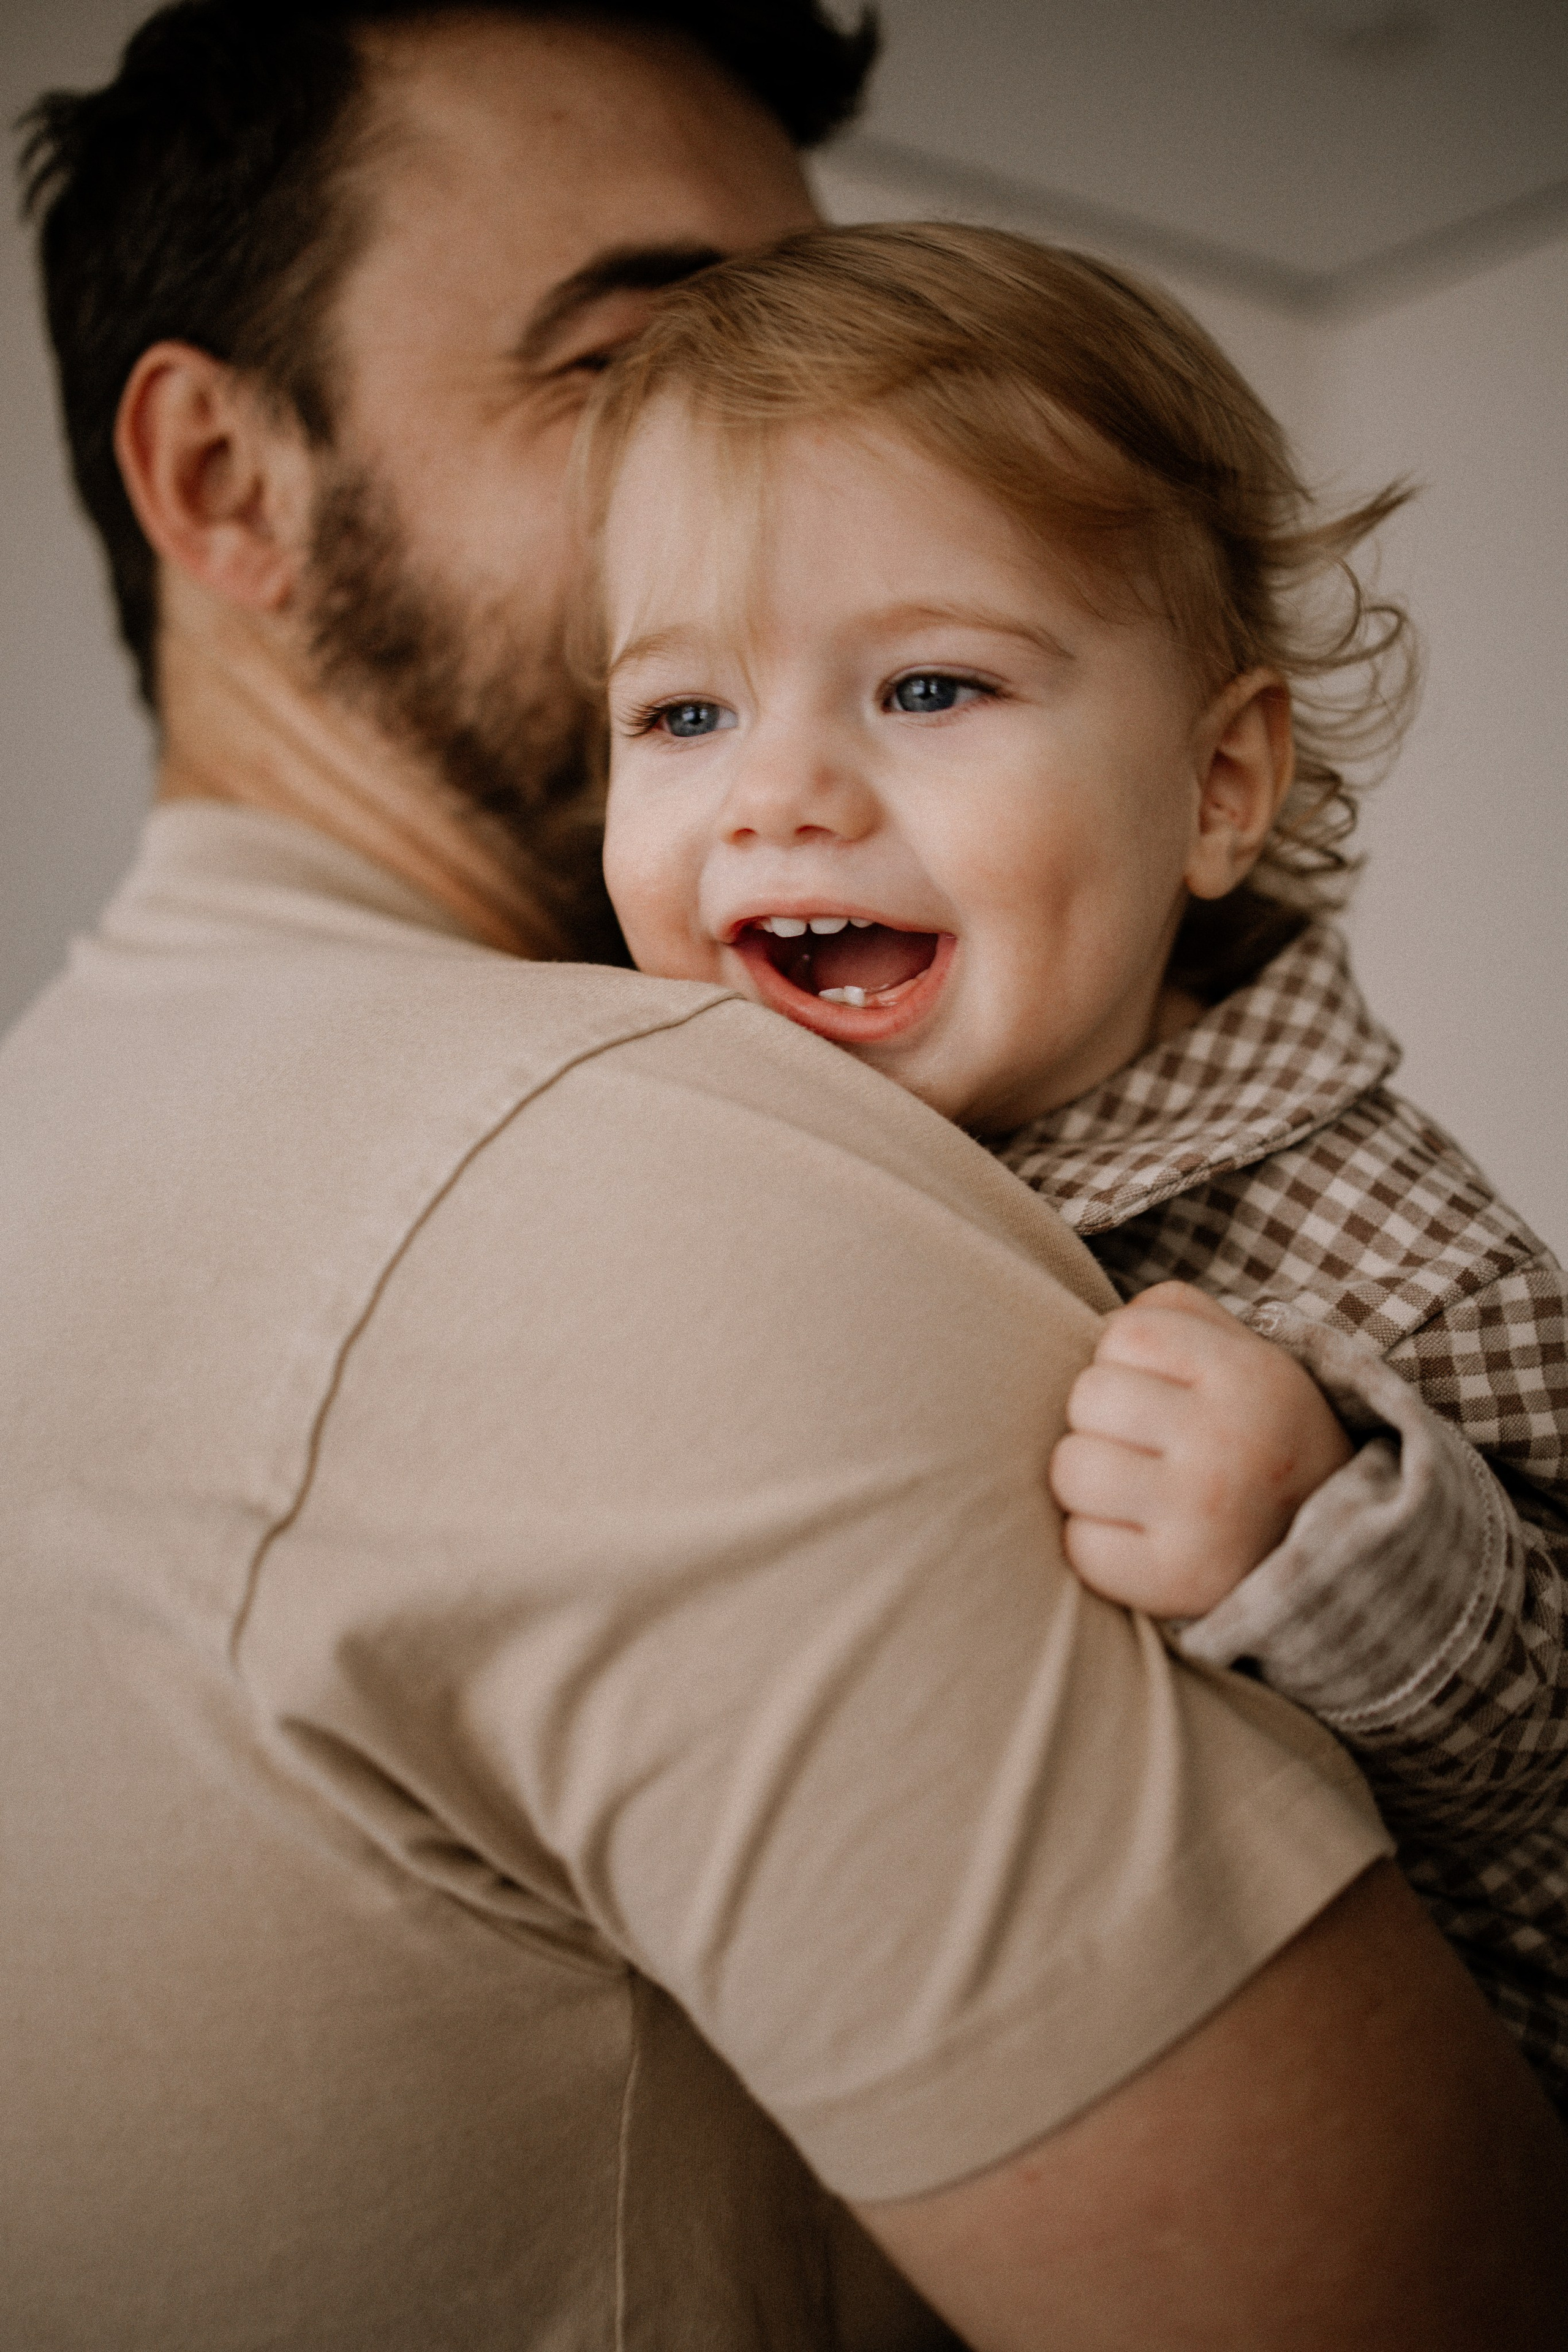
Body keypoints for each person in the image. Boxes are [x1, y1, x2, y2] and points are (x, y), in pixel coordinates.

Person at [2, 9, 1565, 2350]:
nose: (807, 438)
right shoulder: (651, 1161)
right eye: (642, 354)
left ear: (1223, 773)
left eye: (932, 674)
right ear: (225, 474)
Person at [583, 221, 1568, 2118]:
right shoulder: (707, 1155)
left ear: (1217, 789)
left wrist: (1330, 1526)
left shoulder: (1396, 1256)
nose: (778, 793)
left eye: (932, 690)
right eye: (684, 714)